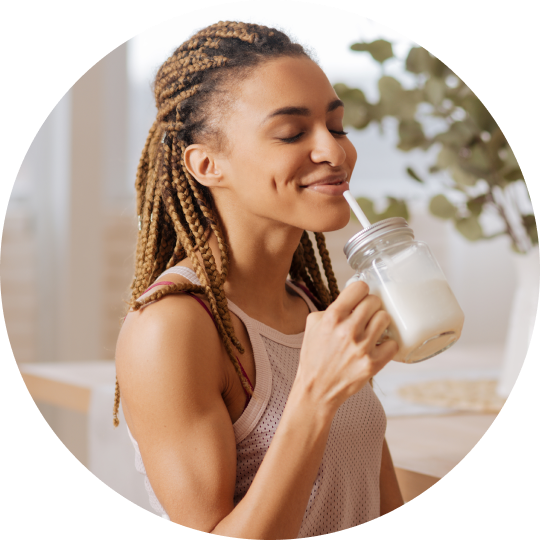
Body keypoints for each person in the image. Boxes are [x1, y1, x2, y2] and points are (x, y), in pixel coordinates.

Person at [114, 21, 408, 539]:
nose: (336, 153)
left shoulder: (315, 304)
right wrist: (315, 396)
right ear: (207, 164)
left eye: (336, 127)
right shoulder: (173, 328)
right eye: (293, 133)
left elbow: (384, 514)